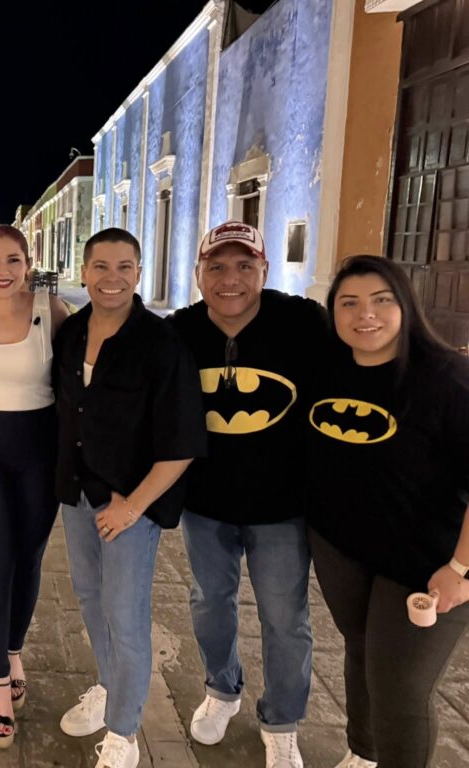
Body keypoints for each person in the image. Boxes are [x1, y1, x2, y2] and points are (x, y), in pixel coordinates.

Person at [167, 221, 326, 768]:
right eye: (216, 267)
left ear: (264, 270)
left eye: (244, 266)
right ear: (199, 274)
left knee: (285, 617)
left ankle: (281, 720)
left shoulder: (301, 322)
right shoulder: (181, 330)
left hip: (282, 507)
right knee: (210, 603)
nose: (229, 279)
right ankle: (222, 688)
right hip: (205, 504)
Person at [307, 255, 469, 768]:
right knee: (361, 649)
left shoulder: (447, 379)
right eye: (349, 303)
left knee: (401, 691)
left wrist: (461, 569)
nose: (365, 315)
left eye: (381, 301)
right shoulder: (328, 370)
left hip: (426, 563)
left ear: (405, 306)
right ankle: (363, 752)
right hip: (342, 547)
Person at [54, 228, 206, 768]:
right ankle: (107, 685)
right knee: (90, 597)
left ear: (139, 273)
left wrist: (133, 506)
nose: (111, 278)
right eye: (100, 266)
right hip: (77, 493)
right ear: (84, 271)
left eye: (124, 267)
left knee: (126, 613)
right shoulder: (72, 332)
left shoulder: (161, 343)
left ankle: (124, 732)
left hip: (130, 507)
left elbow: (184, 443)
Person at [0, 224, 69, 748]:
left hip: (40, 449)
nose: (3, 271)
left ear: (28, 263)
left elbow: (76, 379)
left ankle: (14, 648)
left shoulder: (52, 309)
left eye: (13, 260)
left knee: (29, 559)